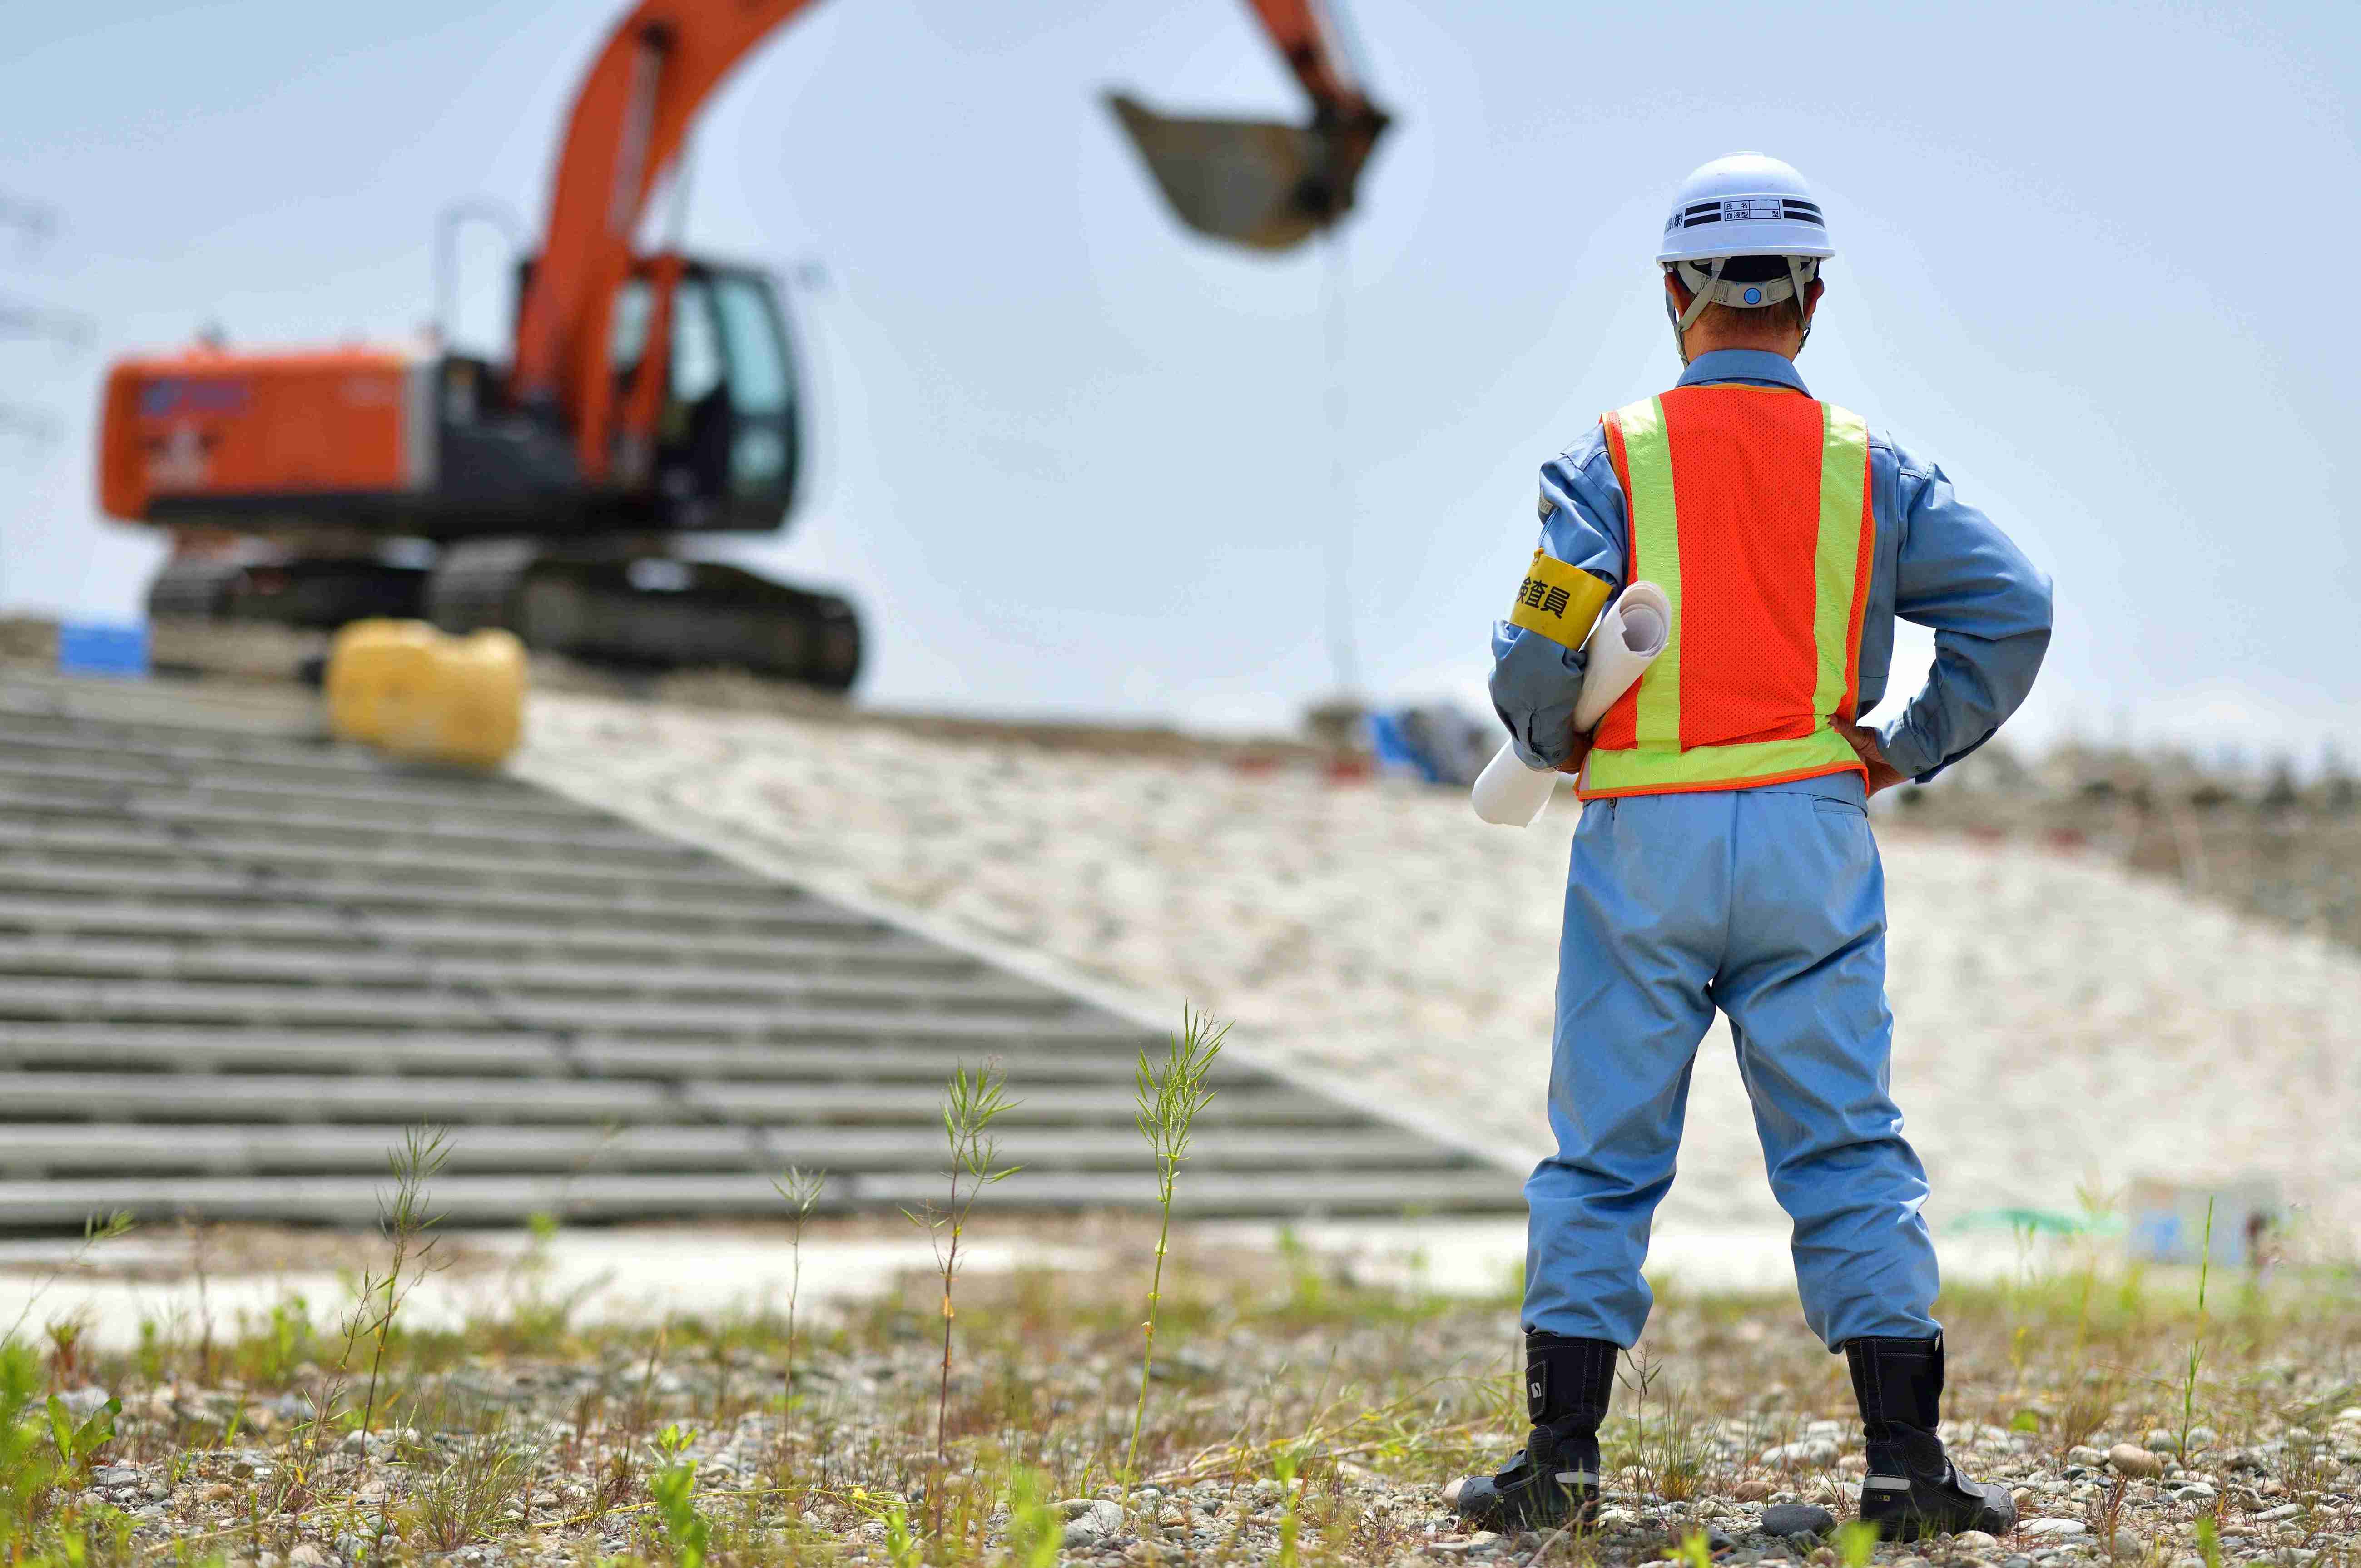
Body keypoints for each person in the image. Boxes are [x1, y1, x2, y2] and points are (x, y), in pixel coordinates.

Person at [1450, 153, 2052, 1541]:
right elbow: (2011, 611)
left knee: (1603, 1155)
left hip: (1643, 840)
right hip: (1809, 833)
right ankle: (1905, 1467)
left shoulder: (1610, 461)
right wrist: (1902, 743)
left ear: (1675, 294)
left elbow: (1544, 644)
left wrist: (1547, 731)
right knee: (1847, 1150)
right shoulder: (1871, 472)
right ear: (1814, 301)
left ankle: (1563, 1463)